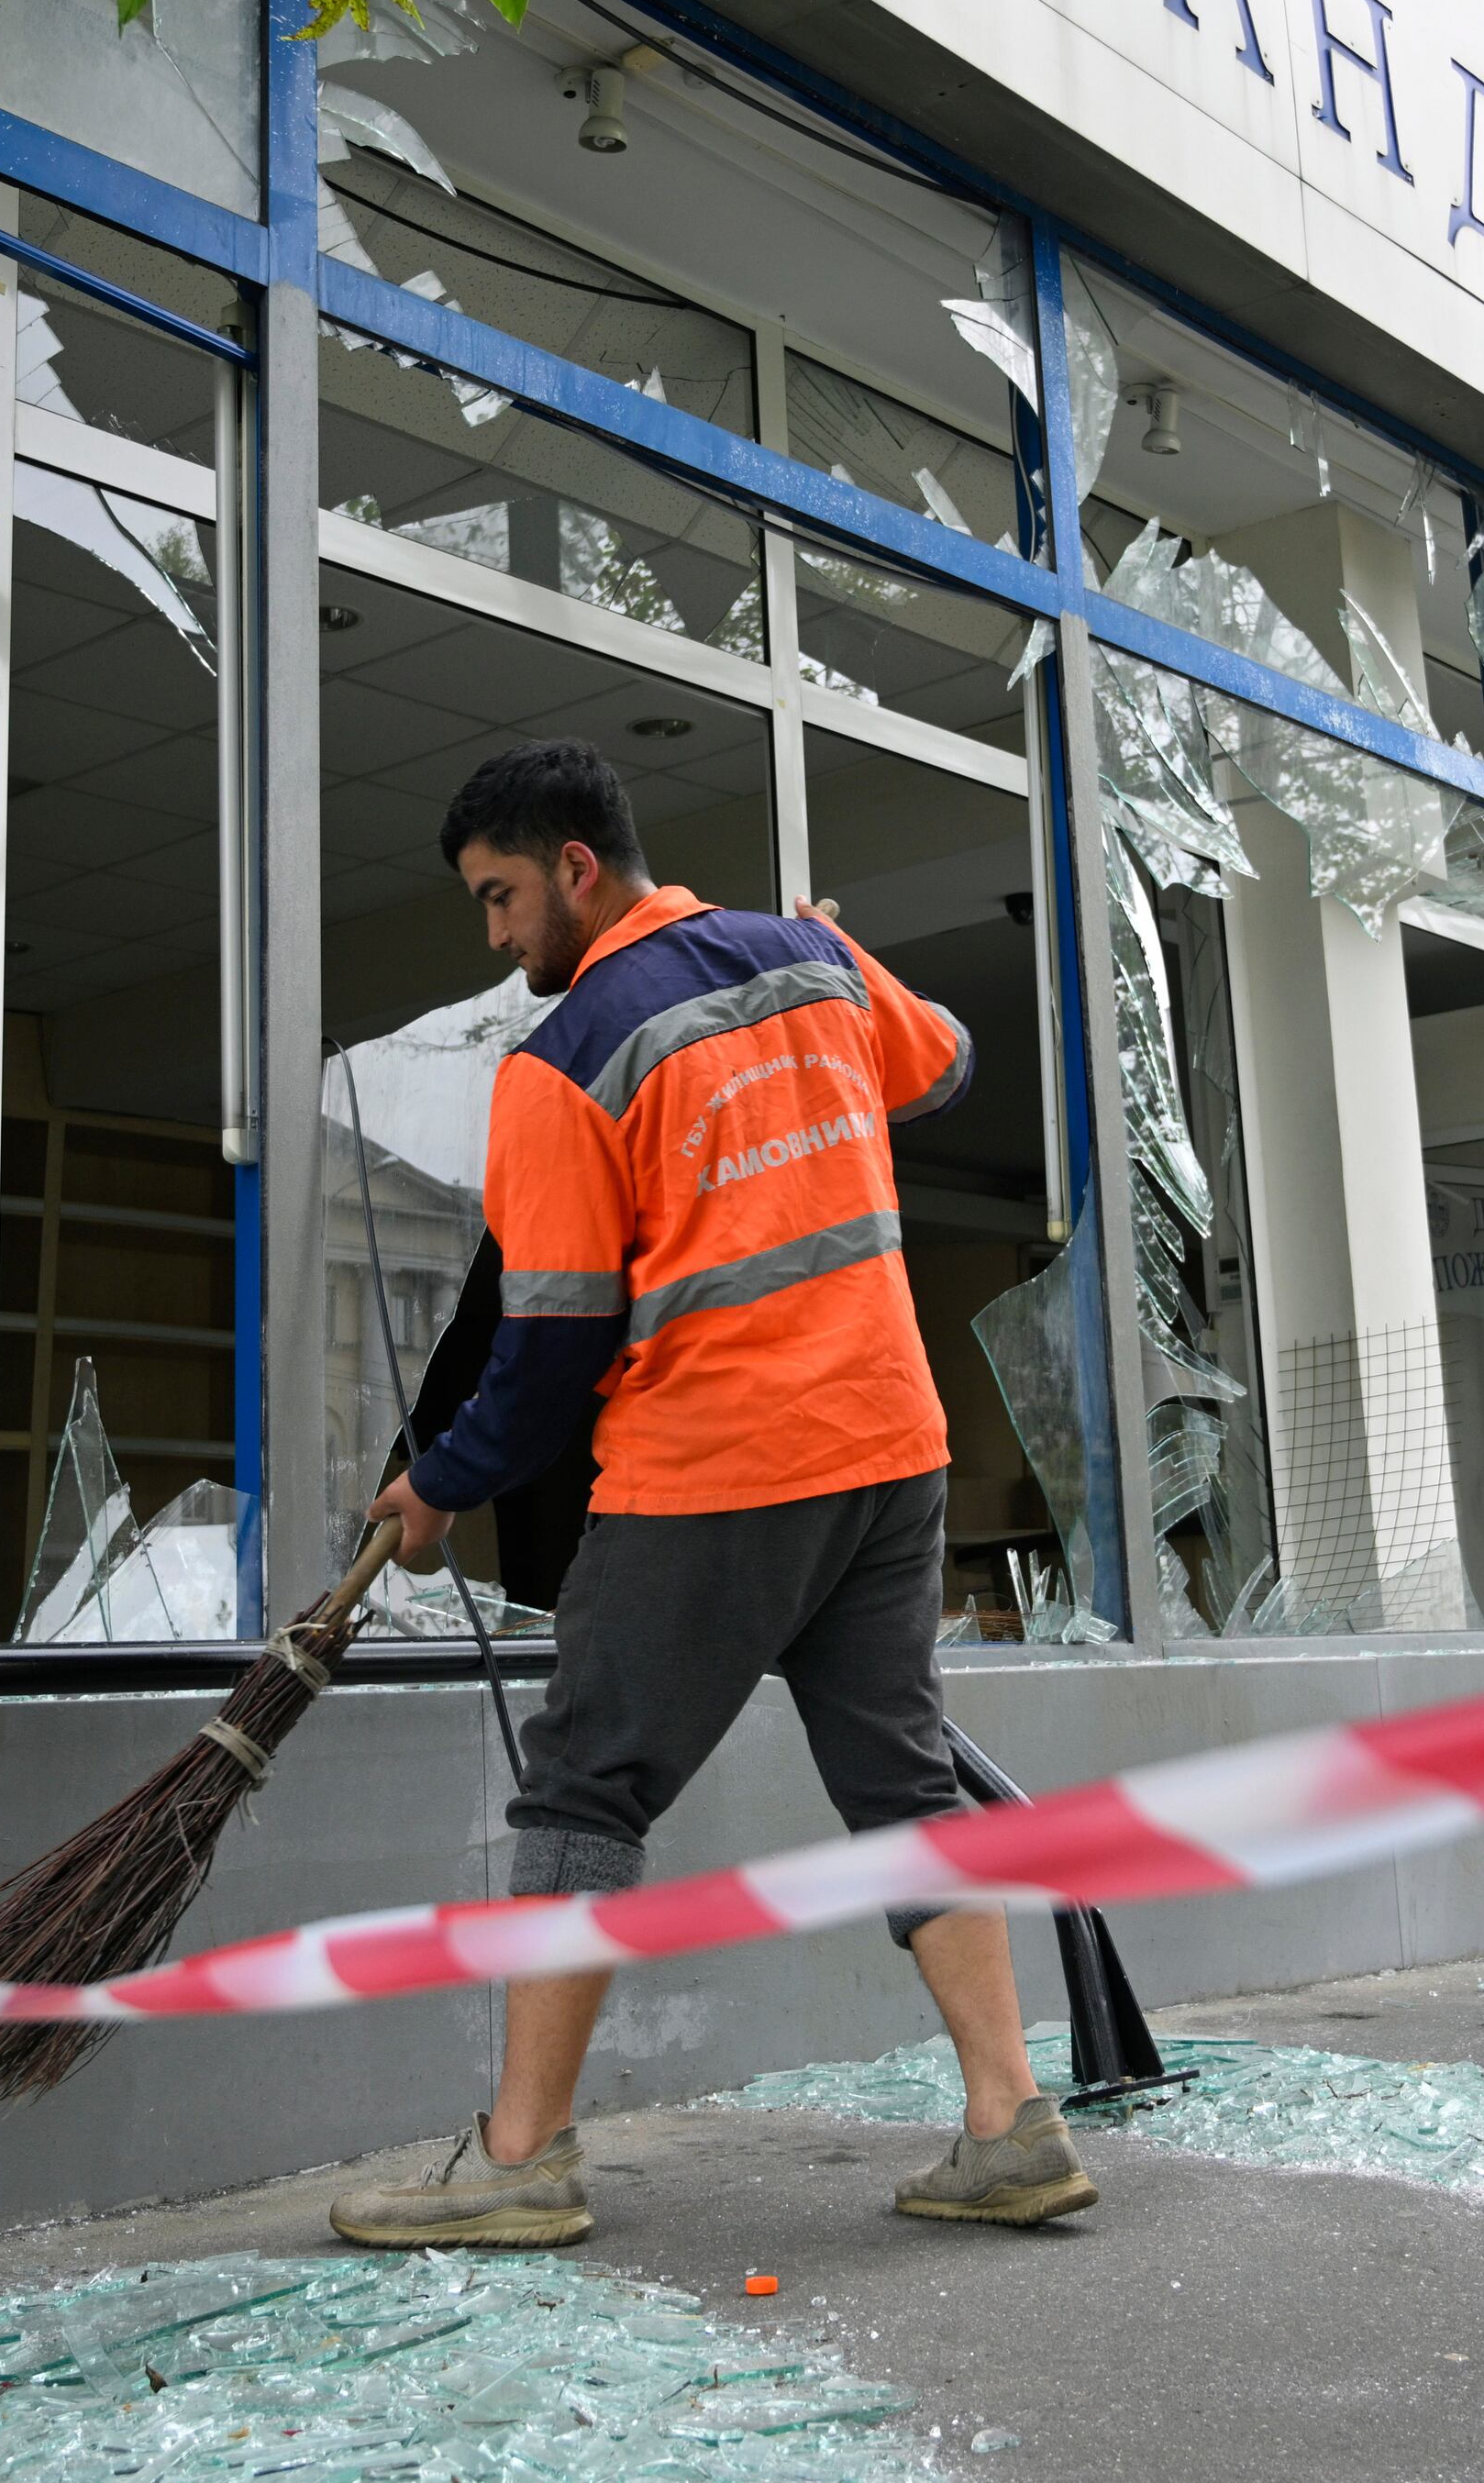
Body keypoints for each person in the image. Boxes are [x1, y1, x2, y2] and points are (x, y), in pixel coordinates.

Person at [327, 740, 1094, 2245]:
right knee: (901, 1778)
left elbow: (549, 1344)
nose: (495, 936)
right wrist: (841, 942)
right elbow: (944, 1055)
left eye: (499, 896)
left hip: (717, 1474)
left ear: (576, 866)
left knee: (581, 1787)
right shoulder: (807, 962)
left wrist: (436, 1485)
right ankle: (1009, 2121)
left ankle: (521, 2154)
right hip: (888, 1454)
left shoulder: (563, 1062)